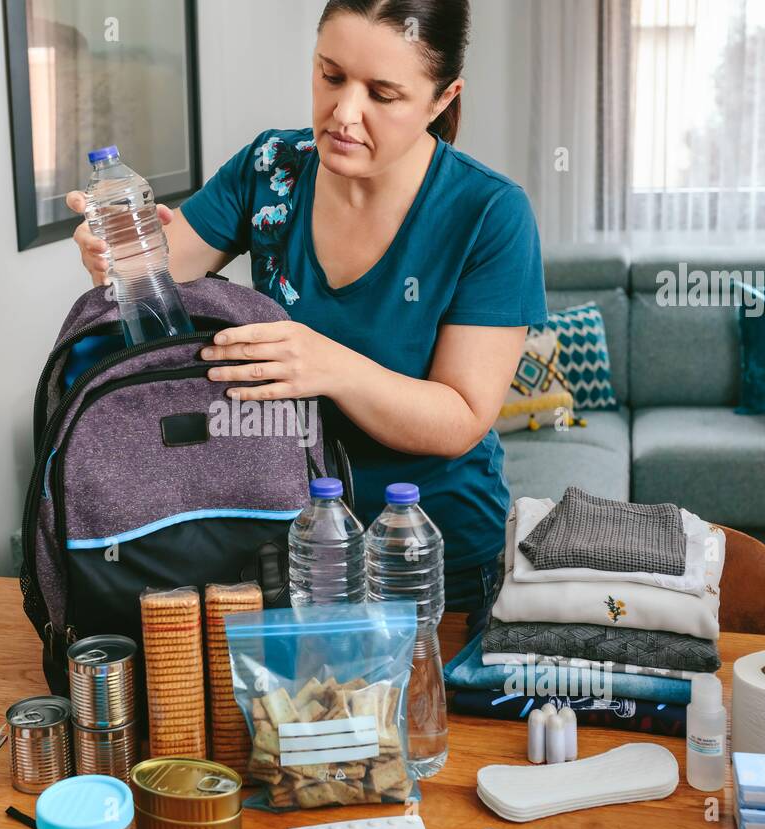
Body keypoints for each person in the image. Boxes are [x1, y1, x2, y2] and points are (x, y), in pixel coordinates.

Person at [66, 0, 546, 630]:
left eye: (383, 93)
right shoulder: (271, 170)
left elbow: (459, 417)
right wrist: (115, 260)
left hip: (430, 559)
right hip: (288, 551)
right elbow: (154, 283)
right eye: (331, 75)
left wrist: (330, 366)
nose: (345, 114)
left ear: (441, 98)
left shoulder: (488, 215)